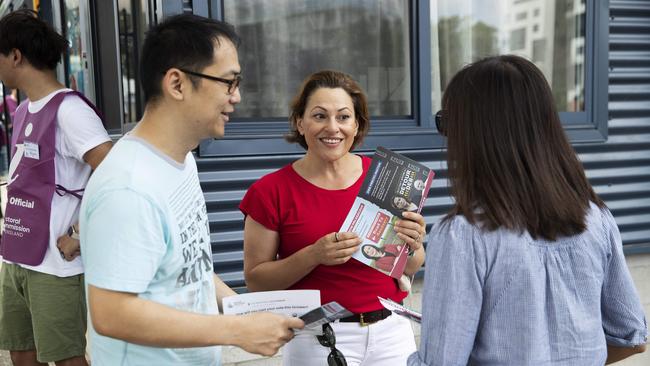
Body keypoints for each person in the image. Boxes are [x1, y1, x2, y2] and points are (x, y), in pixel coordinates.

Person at [79, 14, 303, 366]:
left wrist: (242, 311)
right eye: (228, 82)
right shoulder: (129, 188)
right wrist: (235, 331)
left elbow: (190, 264)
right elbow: (112, 313)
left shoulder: (180, 160)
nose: (238, 96)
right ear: (177, 84)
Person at [408, 55, 648, 366]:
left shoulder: (461, 234)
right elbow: (632, 337)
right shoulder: (596, 218)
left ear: (473, 133)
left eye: (447, 123)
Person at [240, 70, 426, 366]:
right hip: (318, 338)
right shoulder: (270, 191)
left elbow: (411, 265)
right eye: (319, 116)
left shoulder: (385, 179)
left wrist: (414, 244)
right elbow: (256, 281)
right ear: (300, 123)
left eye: (343, 117)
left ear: (357, 125)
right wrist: (314, 255)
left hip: (392, 332)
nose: (332, 128)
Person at [0, 10, 112, 366]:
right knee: (21, 352)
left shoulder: (71, 111)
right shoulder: (22, 110)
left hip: (55, 266)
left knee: (66, 359)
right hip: (16, 255)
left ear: (15, 56)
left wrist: (81, 234)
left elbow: (117, 178)